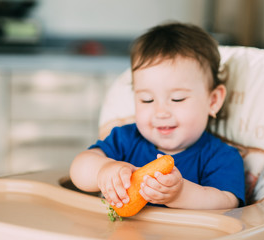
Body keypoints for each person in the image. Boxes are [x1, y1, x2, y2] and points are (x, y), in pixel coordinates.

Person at [70, 22, 245, 210]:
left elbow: (227, 204)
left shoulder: (221, 156)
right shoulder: (125, 140)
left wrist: (179, 194)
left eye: (177, 99)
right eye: (147, 100)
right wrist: (102, 171)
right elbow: (79, 168)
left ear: (213, 101)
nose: (161, 112)